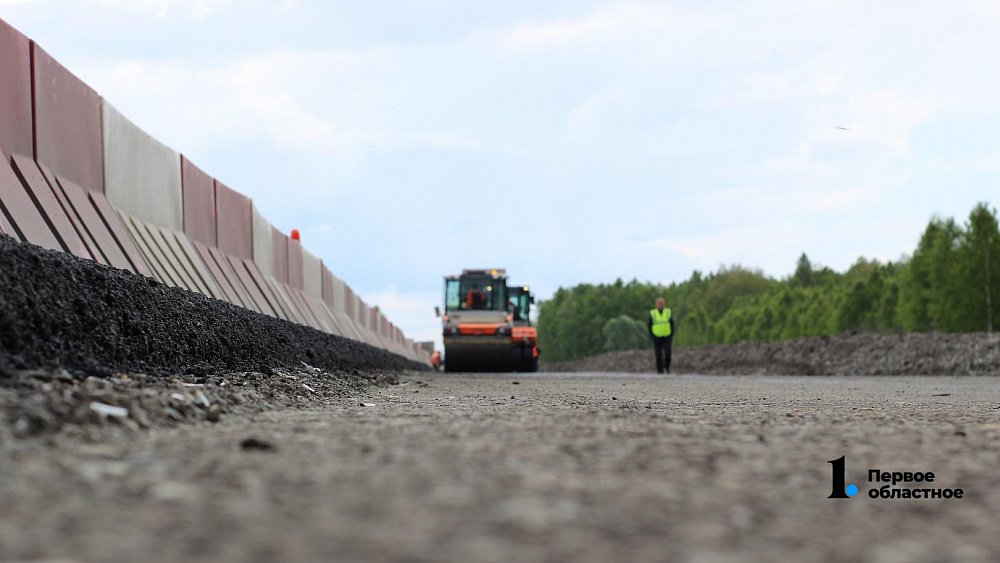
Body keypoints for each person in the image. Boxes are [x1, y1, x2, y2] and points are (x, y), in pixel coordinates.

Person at [648, 297, 675, 374]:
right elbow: (649, 325)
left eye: (662, 303)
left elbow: (672, 323)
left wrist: (672, 333)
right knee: (658, 354)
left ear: (664, 304)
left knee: (668, 352)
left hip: (667, 335)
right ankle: (659, 370)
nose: (660, 305)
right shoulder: (653, 313)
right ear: (656, 305)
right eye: (659, 304)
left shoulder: (668, 312)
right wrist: (651, 335)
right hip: (656, 336)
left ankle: (667, 367)